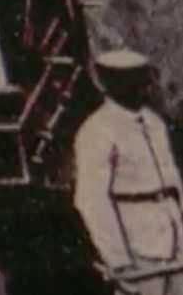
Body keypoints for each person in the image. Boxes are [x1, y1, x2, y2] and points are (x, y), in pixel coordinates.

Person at [75, 49, 183, 295]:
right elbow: (92, 200)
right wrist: (118, 260)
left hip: (175, 245)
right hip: (138, 248)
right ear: (114, 86)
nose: (147, 88)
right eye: (136, 82)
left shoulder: (154, 123)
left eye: (147, 80)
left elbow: (173, 180)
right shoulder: (97, 130)